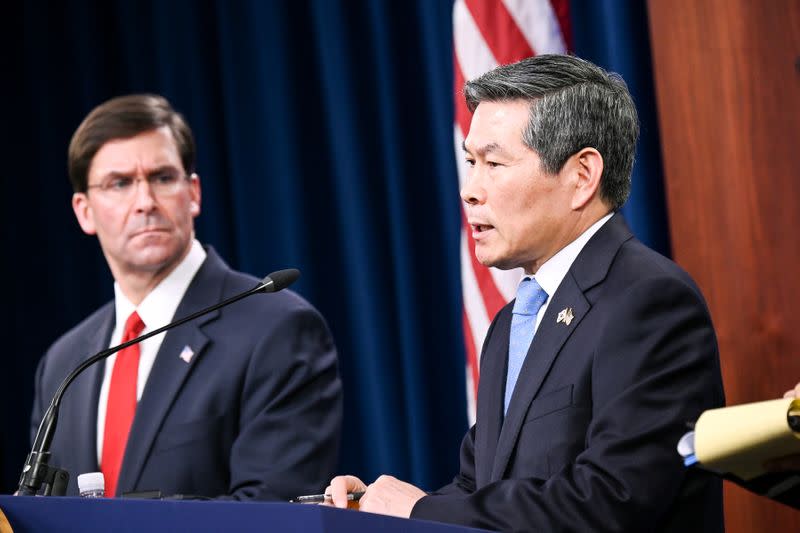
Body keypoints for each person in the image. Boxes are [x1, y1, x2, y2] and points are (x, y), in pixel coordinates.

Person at [328, 55, 725, 531]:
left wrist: (419, 510)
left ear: (581, 176)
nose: (470, 190)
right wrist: (375, 511)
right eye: (470, 162)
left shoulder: (650, 302)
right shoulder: (514, 318)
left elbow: (610, 500)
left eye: (493, 163)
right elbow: (480, 491)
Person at [31, 94, 342, 500]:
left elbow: (272, 510)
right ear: (84, 210)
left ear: (193, 192)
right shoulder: (63, 364)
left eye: (161, 178)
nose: (145, 203)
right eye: (119, 184)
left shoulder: (278, 328)